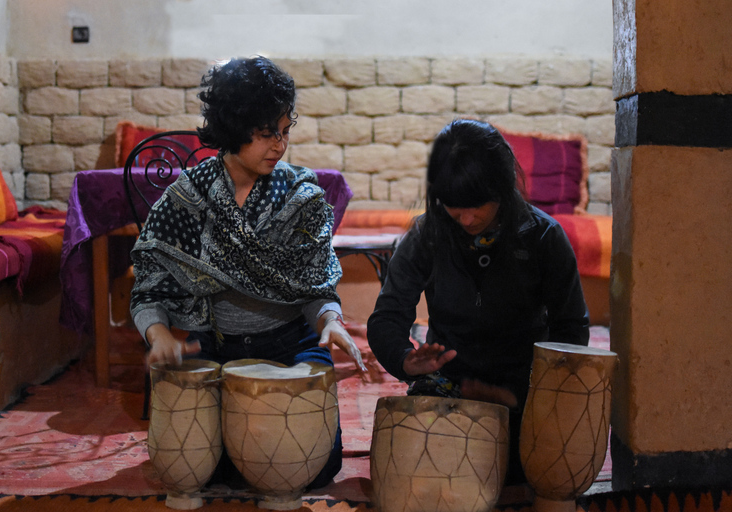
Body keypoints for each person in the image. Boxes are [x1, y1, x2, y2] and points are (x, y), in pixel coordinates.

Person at [129, 56, 366, 488]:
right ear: (234, 130)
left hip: (293, 345)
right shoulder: (187, 197)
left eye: (285, 132)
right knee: (199, 467)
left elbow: (315, 284)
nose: (280, 145)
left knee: (314, 464)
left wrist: (330, 321)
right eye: (266, 134)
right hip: (218, 350)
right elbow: (150, 287)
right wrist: (159, 334)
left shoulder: (300, 196)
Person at [366, 119, 589, 485]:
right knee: (411, 459)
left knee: (535, 466)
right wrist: (405, 360)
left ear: (502, 188)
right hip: (450, 382)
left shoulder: (543, 237)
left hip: (523, 387)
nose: (467, 219)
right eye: (454, 207)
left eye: (477, 206)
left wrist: (528, 391)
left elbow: (572, 329)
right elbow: (388, 316)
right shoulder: (428, 235)